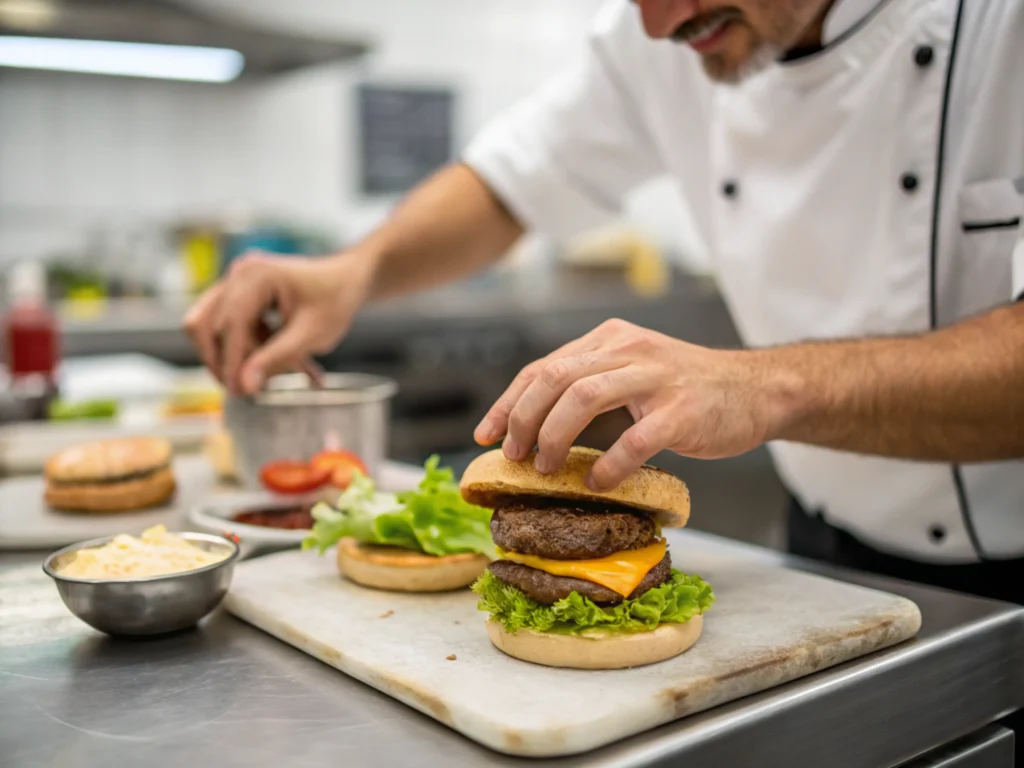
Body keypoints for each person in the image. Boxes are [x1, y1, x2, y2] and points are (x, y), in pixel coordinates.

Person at [187, 0, 1024, 744]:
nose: (659, 25)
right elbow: (511, 183)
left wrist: (763, 384)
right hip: (824, 554)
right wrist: (355, 270)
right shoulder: (661, 27)